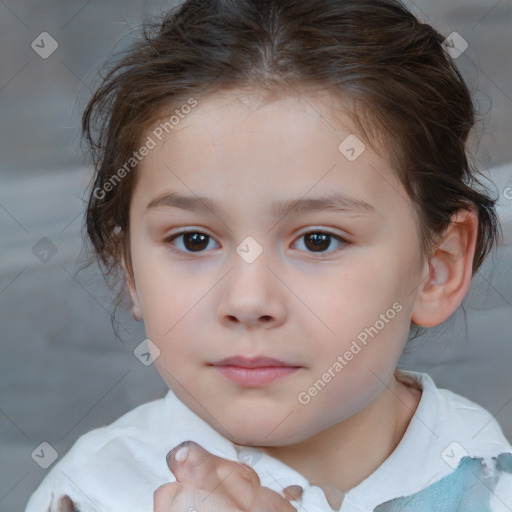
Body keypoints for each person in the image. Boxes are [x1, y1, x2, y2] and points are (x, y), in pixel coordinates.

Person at [25, 0, 512, 510]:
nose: (248, 299)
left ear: (438, 266)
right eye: (193, 240)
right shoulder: (87, 495)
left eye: (318, 240)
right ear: (129, 266)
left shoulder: (489, 482)